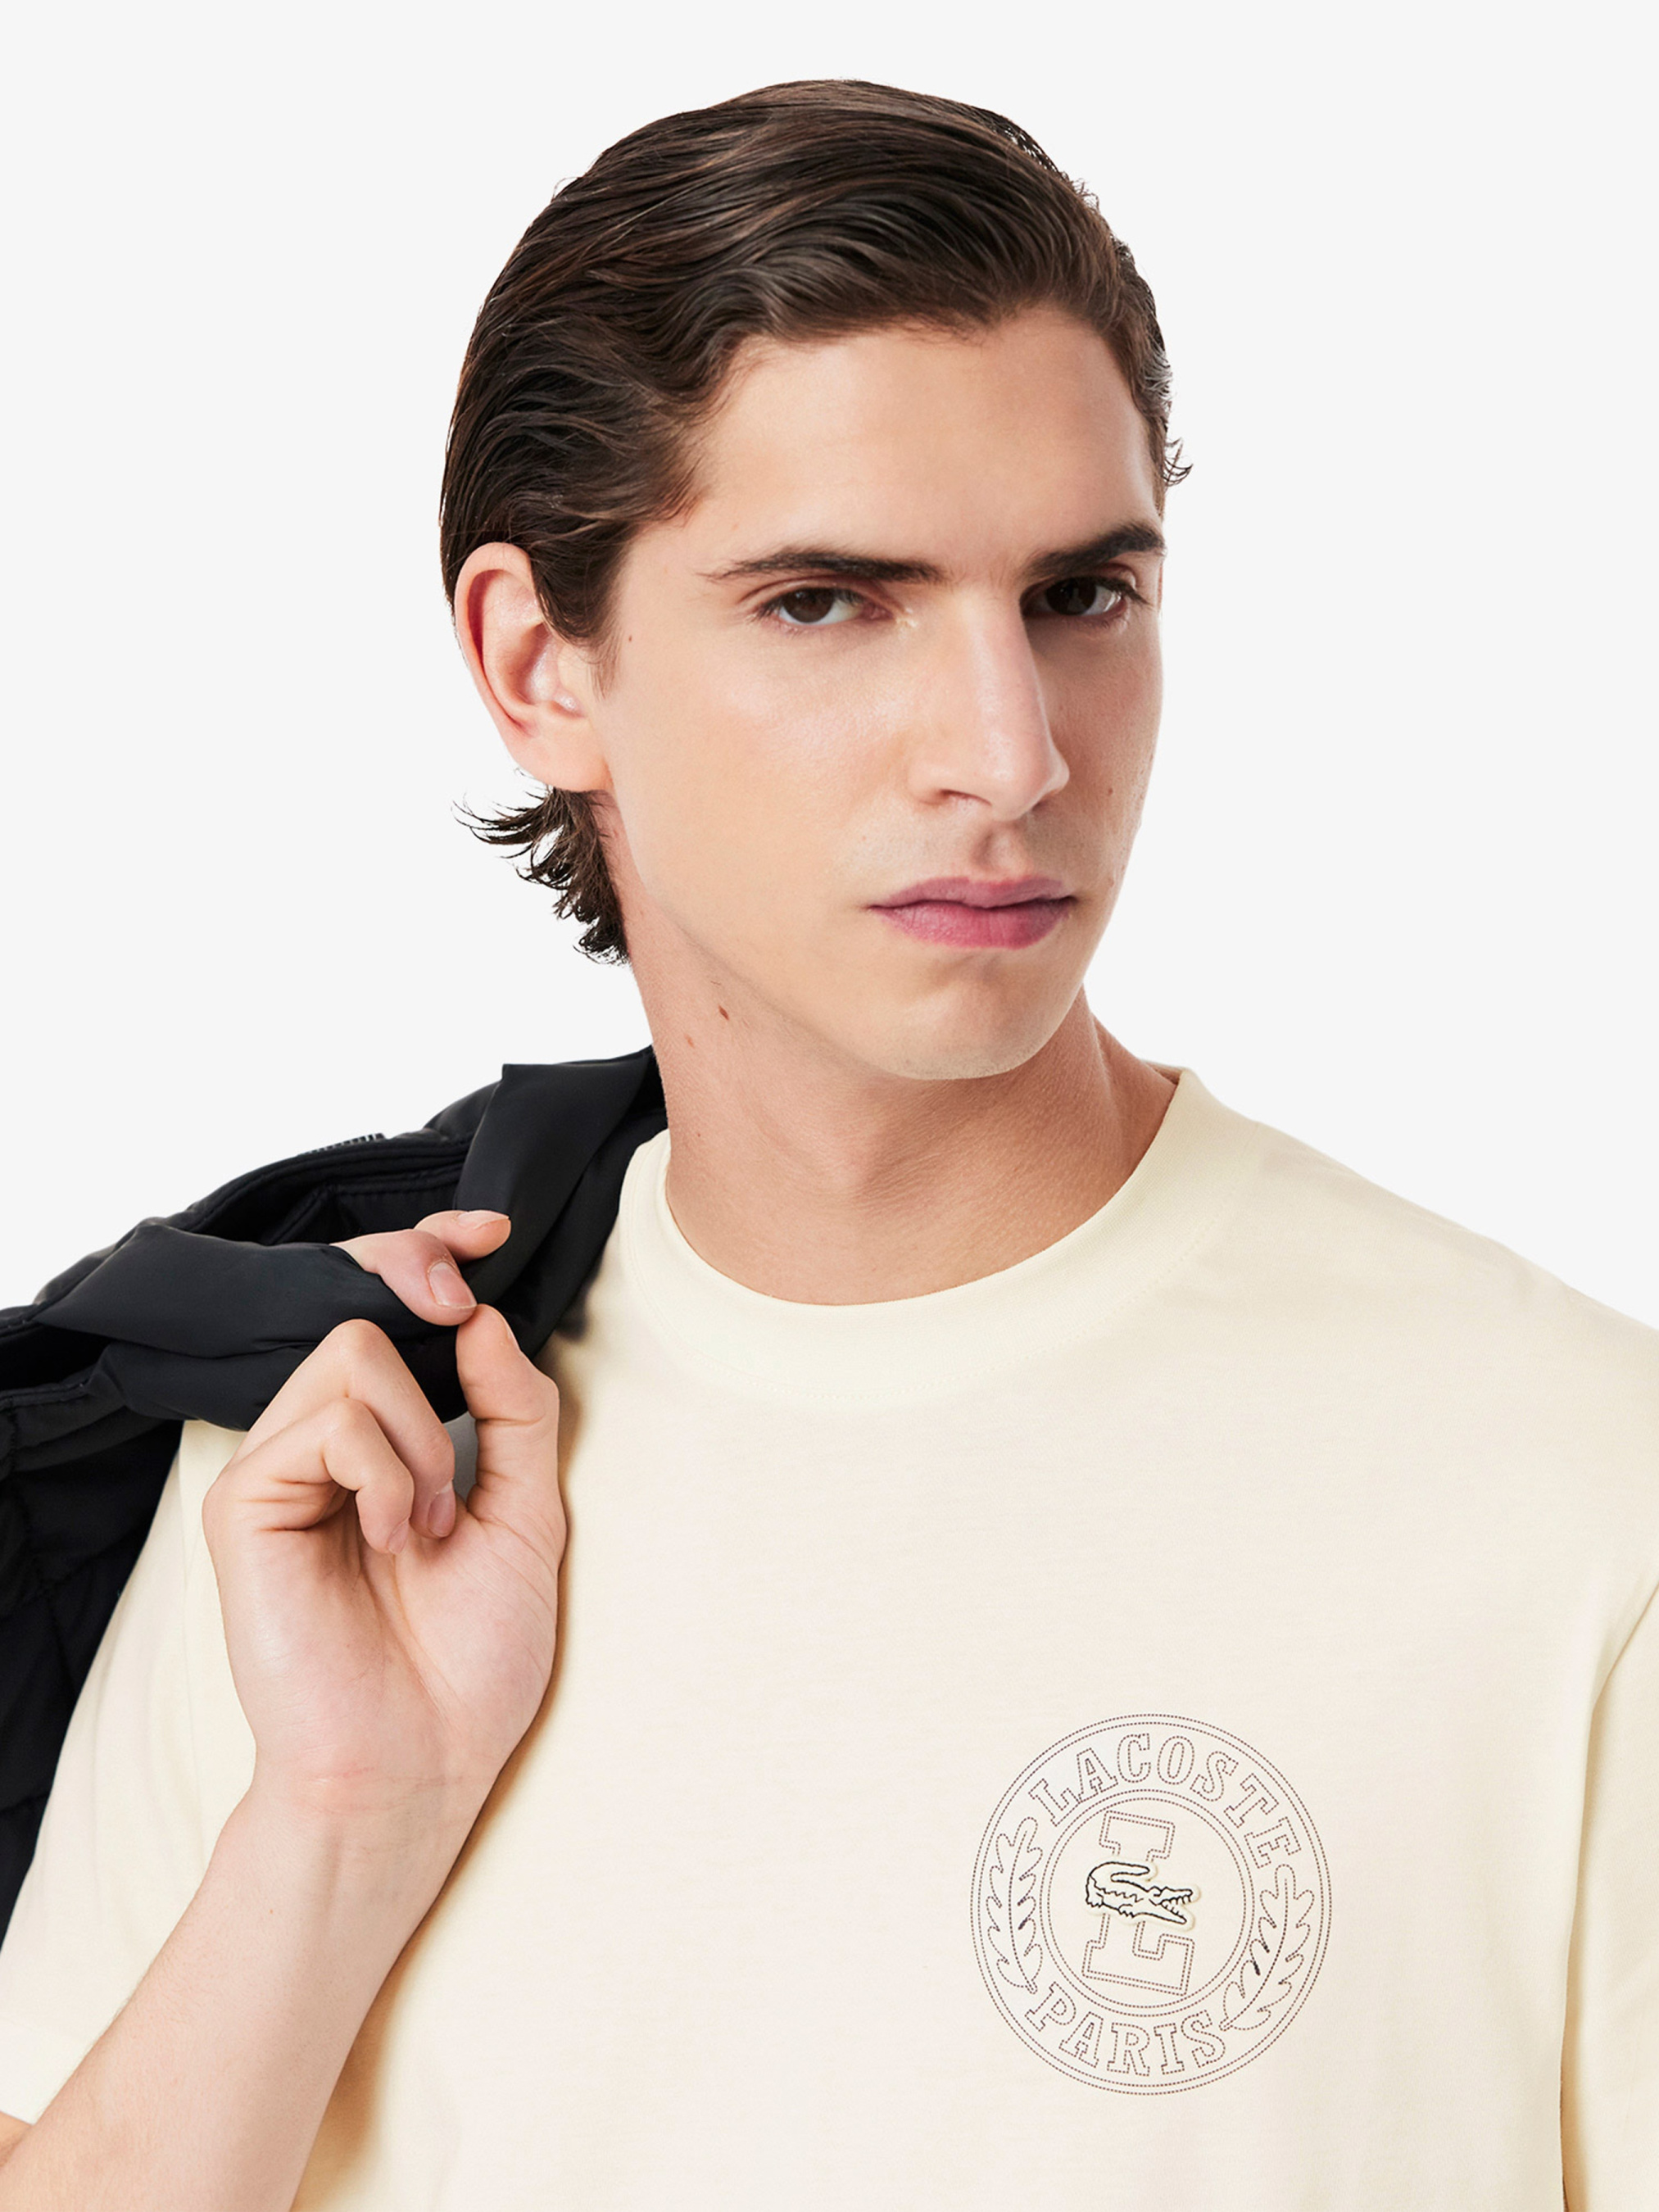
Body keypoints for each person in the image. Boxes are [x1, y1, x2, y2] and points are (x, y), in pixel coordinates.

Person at [0, 76, 1652, 2212]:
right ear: (539, 663)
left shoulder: (1576, 1501)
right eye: (827, 602)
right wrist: (336, 1820)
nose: (1009, 752)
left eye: (1079, 595)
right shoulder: (333, 1475)